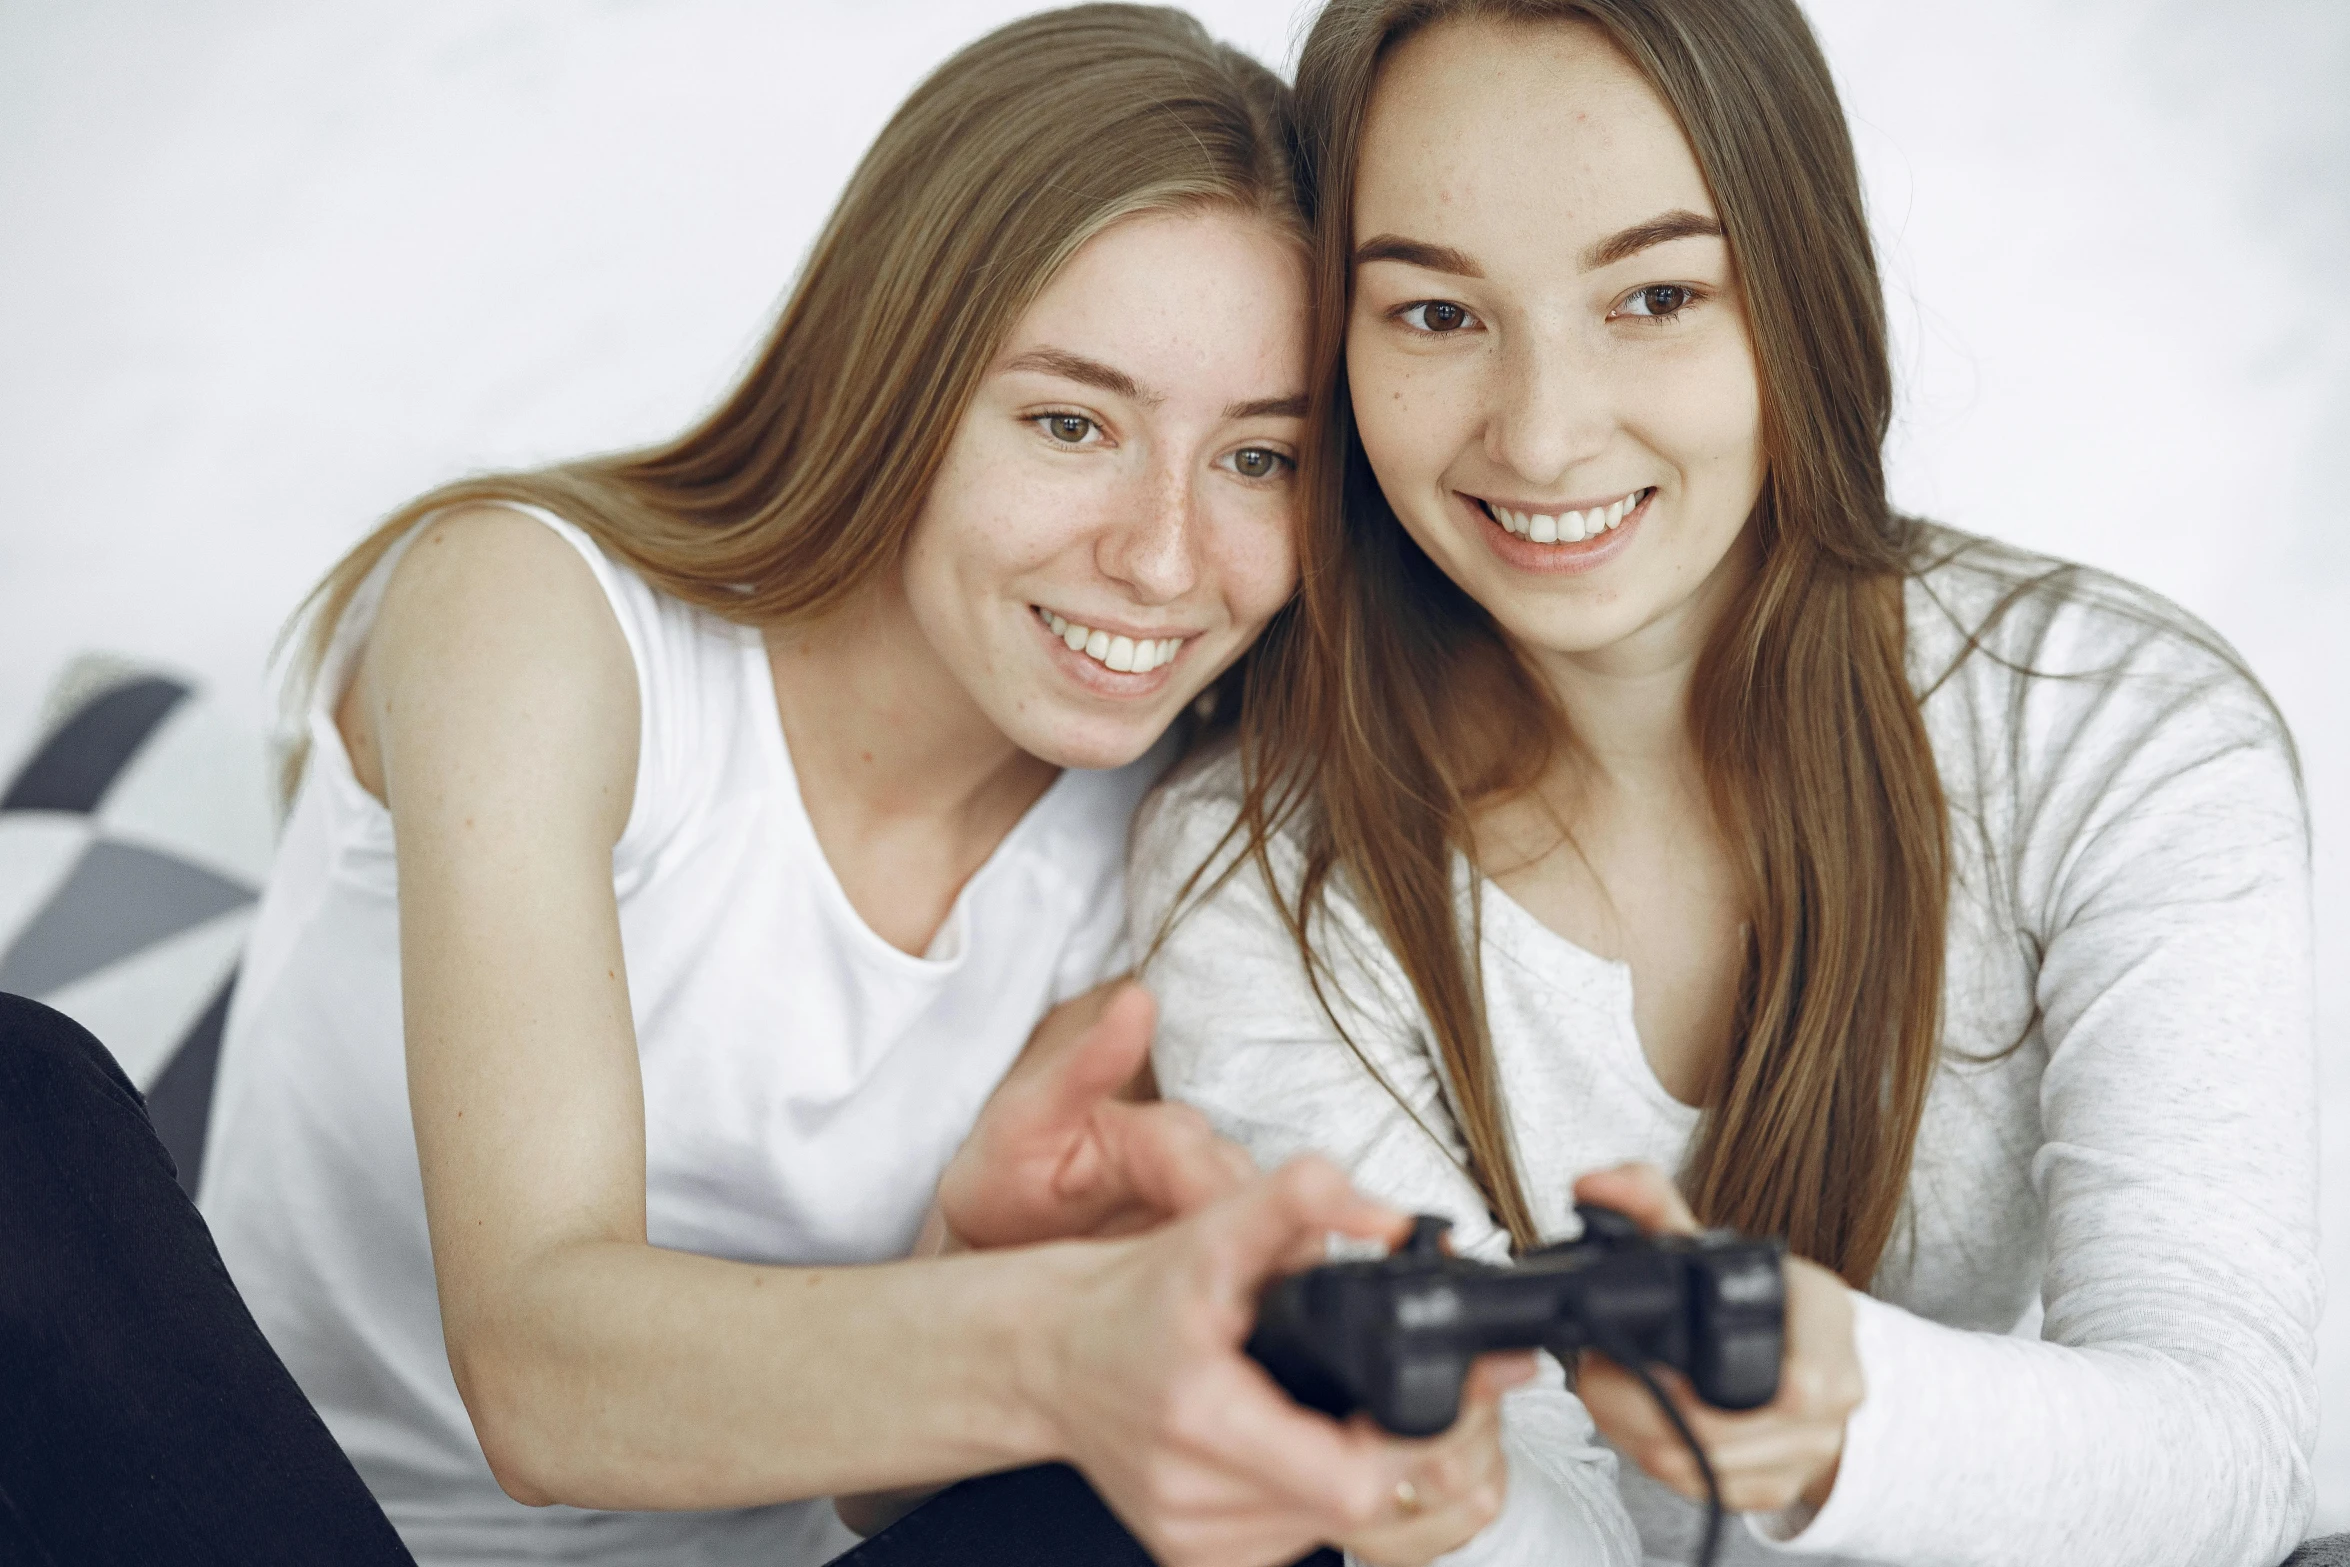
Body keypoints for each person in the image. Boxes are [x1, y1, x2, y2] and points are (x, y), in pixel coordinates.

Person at [187, 8, 1524, 1566]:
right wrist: (1048, 1330)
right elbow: (538, 1374)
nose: (1164, 558)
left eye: (1258, 461)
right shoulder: (534, 617)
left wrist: (969, 1253)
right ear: (887, 377)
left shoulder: (1188, 840)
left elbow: (891, 1506)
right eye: (1068, 422)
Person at [1131, 1, 2319, 1564]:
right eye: (1433, 315)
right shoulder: (1254, 859)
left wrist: (1837, 1418)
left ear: (1798, 295)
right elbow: (1502, 1503)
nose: (1544, 434)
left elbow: (2227, 1450)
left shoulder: (2110, 731)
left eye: (1656, 296)